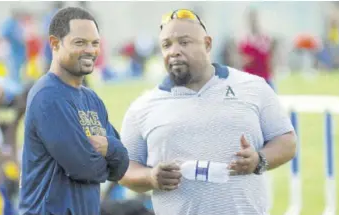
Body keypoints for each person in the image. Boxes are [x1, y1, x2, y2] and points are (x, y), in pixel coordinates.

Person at [118, 9, 297, 215]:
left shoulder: (253, 87)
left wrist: (259, 160)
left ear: (208, 44)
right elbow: (125, 169)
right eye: (167, 45)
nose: (174, 51)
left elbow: (287, 141)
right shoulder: (142, 107)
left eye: (184, 42)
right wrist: (150, 177)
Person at [19, 7, 129, 215]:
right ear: (54, 44)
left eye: (94, 43)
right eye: (80, 42)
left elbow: (122, 164)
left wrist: (108, 148)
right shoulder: (47, 96)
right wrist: (107, 160)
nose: (90, 50)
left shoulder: (91, 99)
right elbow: (83, 167)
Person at [238, 9, 275, 90]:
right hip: (250, 79)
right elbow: (242, 60)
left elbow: (270, 58)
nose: (253, 21)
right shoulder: (244, 39)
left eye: (254, 19)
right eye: (251, 19)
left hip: (265, 78)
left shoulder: (265, 37)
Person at [2, 9, 27, 84]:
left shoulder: (17, 24)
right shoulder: (9, 24)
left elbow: (21, 38)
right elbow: (5, 34)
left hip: (19, 52)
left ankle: (18, 86)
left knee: (20, 72)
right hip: (13, 52)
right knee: (13, 72)